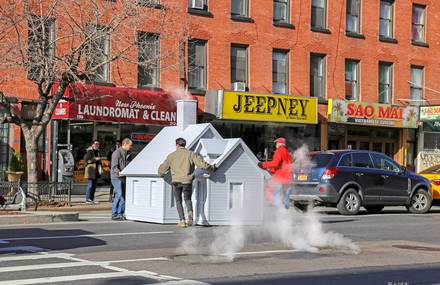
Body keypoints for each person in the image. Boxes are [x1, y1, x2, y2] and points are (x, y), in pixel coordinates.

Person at [158, 137, 216, 228]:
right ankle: (190, 218)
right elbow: (201, 164)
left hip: (176, 181)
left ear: (177, 145)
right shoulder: (191, 154)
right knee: (187, 199)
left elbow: (162, 169)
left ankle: (182, 221)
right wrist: (212, 168)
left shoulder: (171, 156)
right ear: (184, 145)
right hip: (187, 181)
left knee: (178, 200)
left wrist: (160, 173)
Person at [258, 137, 293, 209]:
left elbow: (275, 163)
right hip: (288, 179)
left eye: (276, 143)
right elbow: (284, 165)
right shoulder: (287, 152)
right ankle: (285, 217)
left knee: (276, 197)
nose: (276, 145)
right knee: (286, 199)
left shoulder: (279, 150)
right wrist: (272, 170)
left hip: (280, 179)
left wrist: (263, 164)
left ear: (280, 143)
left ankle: (278, 215)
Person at [110, 138, 133, 220]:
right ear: (125, 144)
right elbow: (114, 166)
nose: (131, 147)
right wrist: (119, 172)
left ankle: (120, 213)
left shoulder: (128, 153)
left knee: (123, 196)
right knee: (119, 194)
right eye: (130, 145)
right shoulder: (117, 153)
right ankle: (114, 214)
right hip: (116, 177)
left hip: (124, 177)